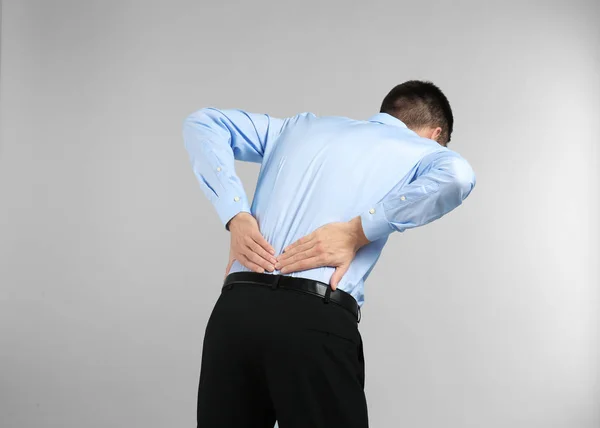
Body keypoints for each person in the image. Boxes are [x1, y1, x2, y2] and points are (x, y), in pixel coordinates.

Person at [182, 80, 476, 428]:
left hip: (235, 312)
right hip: (313, 320)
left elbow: (203, 122)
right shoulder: (422, 150)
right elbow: (458, 177)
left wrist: (236, 214)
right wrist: (357, 231)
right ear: (435, 134)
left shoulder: (297, 127)